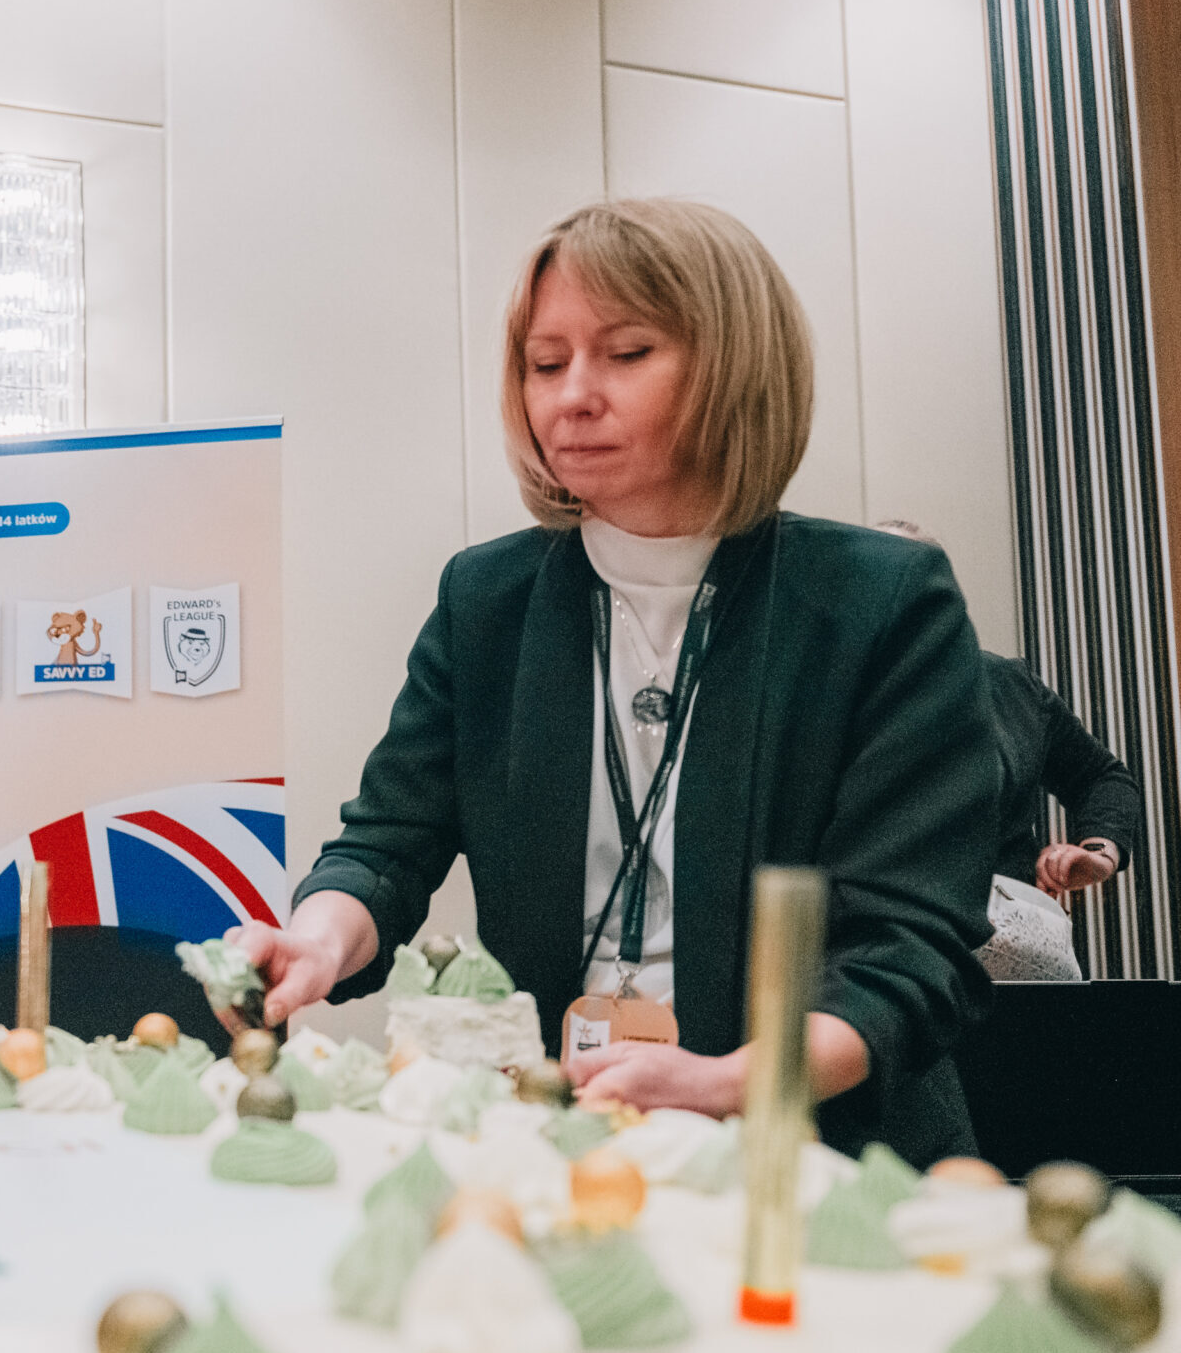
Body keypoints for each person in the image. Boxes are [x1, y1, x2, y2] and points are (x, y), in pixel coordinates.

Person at [229, 200, 999, 1164]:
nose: (573, 396)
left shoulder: (881, 601)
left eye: (626, 353)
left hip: (814, 1151)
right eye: (545, 364)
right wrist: (317, 937)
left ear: (736, 365)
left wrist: (724, 1084)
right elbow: (389, 842)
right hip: (564, 1134)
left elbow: (906, 952)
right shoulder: (487, 598)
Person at [875, 520, 1141, 981]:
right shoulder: (821, 694)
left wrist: (1098, 854)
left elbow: (1102, 778)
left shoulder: (1009, 686)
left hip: (1009, 957)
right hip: (874, 959)